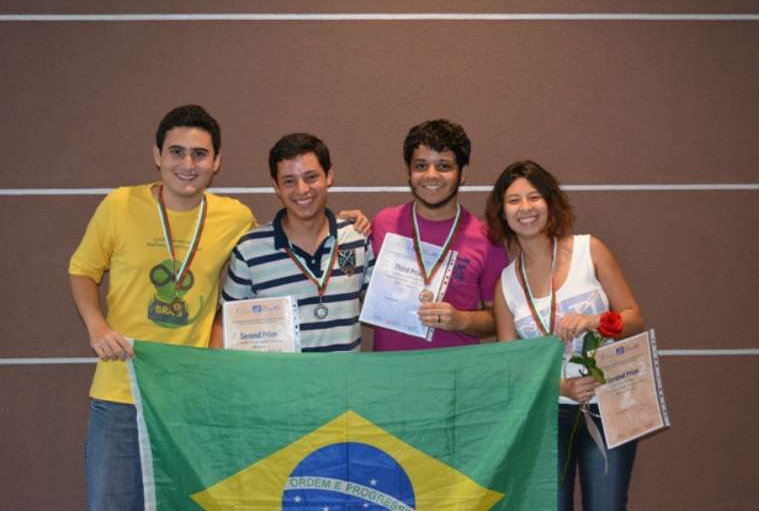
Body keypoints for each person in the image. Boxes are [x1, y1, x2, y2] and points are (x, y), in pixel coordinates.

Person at [69, 104, 256, 509]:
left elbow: (276, 247)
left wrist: (343, 224)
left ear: (217, 162)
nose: (187, 164)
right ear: (157, 155)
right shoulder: (119, 205)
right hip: (122, 391)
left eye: (200, 154)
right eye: (176, 152)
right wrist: (97, 327)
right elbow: (82, 270)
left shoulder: (235, 216)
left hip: (189, 396)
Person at [486, 160, 645, 511]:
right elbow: (512, 367)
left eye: (534, 197)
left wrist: (592, 321)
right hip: (547, 413)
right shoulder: (506, 285)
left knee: (606, 505)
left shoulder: (590, 250)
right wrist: (562, 388)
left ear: (550, 201)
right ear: (501, 212)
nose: (525, 208)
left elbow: (633, 319)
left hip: (609, 403)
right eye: (514, 201)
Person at [213, 133, 373, 351]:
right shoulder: (250, 250)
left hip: (345, 382)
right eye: (289, 181)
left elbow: (383, 306)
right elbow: (226, 322)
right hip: (281, 383)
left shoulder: (356, 238)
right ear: (276, 186)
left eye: (311, 177)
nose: (302, 190)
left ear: (329, 176)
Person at [370, 119, 509, 351]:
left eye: (444, 166)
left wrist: (460, 320)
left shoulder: (487, 238)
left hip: (454, 376)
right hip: (389, 374)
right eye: (421, 166)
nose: (431, 175)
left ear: (462, 173)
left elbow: (500, 319)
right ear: (409, 172)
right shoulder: (383, 223)